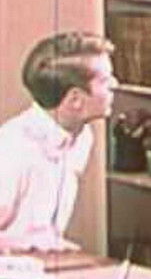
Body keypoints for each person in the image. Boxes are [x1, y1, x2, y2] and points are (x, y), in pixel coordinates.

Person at [0, 31, 117, 252]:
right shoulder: (13, 148)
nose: (115, 85)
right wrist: (30, 245)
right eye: (105, 80)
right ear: (75, 99)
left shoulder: (82, 136)